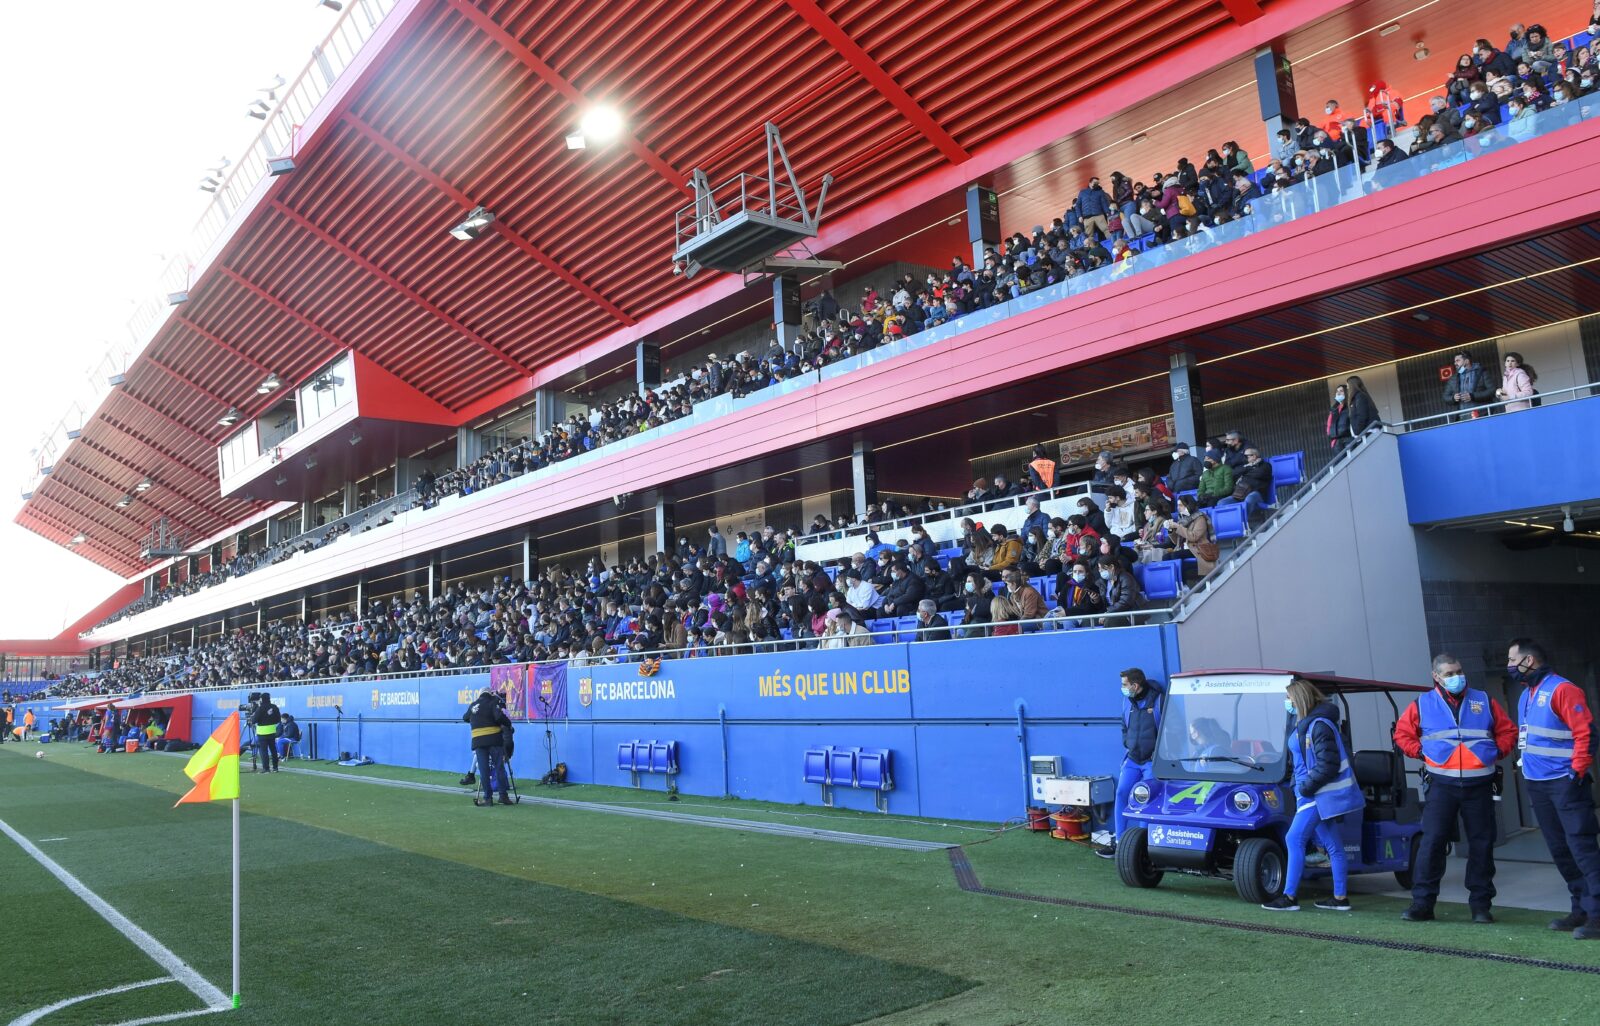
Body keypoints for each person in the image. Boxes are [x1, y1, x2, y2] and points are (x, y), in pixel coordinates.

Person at [1393, 653, 1517, 923]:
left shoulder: (1483, 700)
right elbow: (1402, 734)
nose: (1456, 677)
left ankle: (1481, 906)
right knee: (1432, 843)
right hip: (1441, 785)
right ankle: (1423, 904)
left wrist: (1496, 751)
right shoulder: (1422, 704)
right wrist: (1421, 753)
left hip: (1480, 784)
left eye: (1458, 671)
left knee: (1482, 845)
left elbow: (1508, 731)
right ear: (1436, 677)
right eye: (1449, 674)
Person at [1508, 639, 1600, 937]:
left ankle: (1598, 914)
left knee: (1582, 848)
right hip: (1538, 785)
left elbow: (1586, 734)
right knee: (1561, 851)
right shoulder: (1525, 696)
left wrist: (1576, 773)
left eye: (1512, 659)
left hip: (1565, 784)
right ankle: (1581, 908)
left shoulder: (1563, 689)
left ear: (1529, 661)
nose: (1509, 665)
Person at [1262, 678, 1362, 911]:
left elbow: (1328, 764)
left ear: (1299, 699)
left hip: (1315, 795)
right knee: (1333, 844)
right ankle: (1339, 899)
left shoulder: (1317, 725)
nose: (1286, 702)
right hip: (1312, 794)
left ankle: (1289, 897)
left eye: (1289, 698)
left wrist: (1305, 788)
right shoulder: (1310, 724)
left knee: (1293, 839)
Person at [1097, 668, 1164, 860]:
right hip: (1133, 759)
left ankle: (1142, 846)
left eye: (1125, 685)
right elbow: (1123, 726)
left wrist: (1156, 755)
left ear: (1135, 685)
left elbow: (1168, 731)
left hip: (1152, 762)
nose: (1122, 689)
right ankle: (1119, 843)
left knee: (1146, 799)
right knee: (1122, 793)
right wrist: (1127, 742)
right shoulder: (1127, 702)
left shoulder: (1159, 701)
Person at [464, 686, 514, 806]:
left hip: (478, 742)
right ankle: (503, 796)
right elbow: (499, 717)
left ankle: (488, 799)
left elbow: (465, 717)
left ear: (480, 694)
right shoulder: (493, 702)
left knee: (484, 770)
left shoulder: (473, 705)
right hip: (494, 740)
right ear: (490, 693)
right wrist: (508, 724)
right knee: (499, 768)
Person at [1442, 352, 1496, 419]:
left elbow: (1492, 390)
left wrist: (1473, 396)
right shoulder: (1454, 378)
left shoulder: (1481, 372)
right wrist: (1453, 398)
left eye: (1458, 360)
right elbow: (1445, 397)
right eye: (1454, 361)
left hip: (1482, 414)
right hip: (1462, 417)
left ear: (1467, 361)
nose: (1455, 363)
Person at [251, 692, 282, 773]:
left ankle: (266, 768)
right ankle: (275, 768)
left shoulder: (260, 708)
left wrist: (253, 716)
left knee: (264, 751)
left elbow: (254, 720)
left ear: (262, 699)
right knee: (273, 750)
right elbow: (278, 719)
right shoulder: (274, 707)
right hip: (272, 732)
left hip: (262, 733)